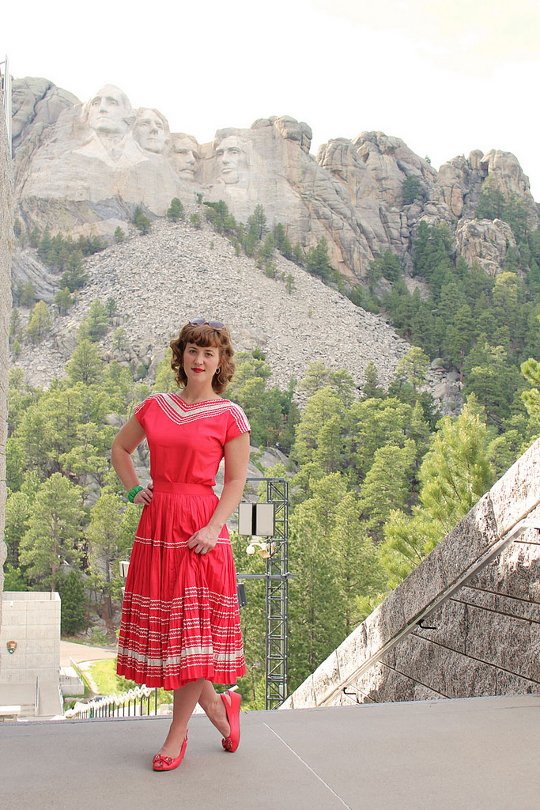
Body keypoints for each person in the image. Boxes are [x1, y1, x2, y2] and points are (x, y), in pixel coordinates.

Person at [111, 319, 250, 772]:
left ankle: (176, 736)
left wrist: (214, 528)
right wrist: (135, 490)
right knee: (178, 636)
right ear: (181, 356)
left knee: (192, 634)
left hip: (200, 534)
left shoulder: (230, 415)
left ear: (220, 363)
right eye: (193, 350)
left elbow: (235, 481)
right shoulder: (155, 406)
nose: (199, 360)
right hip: (157, 527)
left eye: (209, 353)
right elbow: (120, 449)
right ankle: (219, 709)